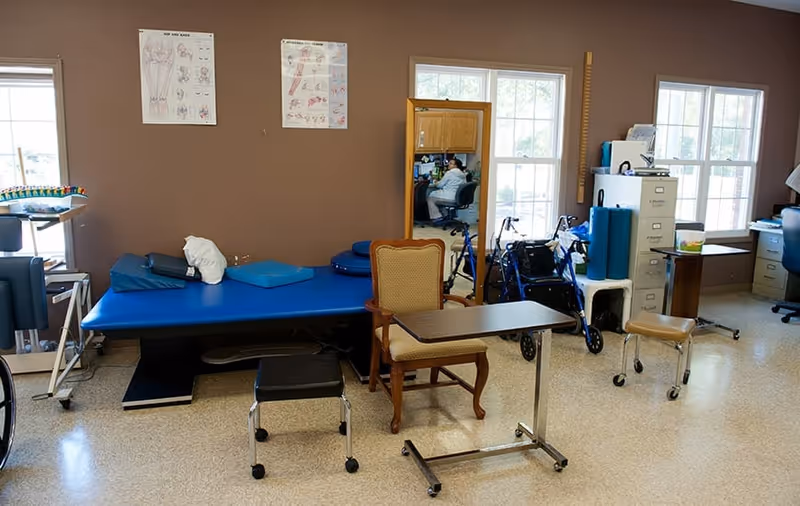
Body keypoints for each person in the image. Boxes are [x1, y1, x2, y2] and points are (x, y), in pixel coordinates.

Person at [427, 158, 467, 223]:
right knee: (436, 197)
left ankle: (437, 217)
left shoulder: (450, 173)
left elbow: (439, 185)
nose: (448, 164)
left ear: (455, 166)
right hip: (459, 198)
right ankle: (445, 215)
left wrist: (436, 182)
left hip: (449, 197)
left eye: (451, 163)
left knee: (430, 198)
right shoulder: (463, 175)